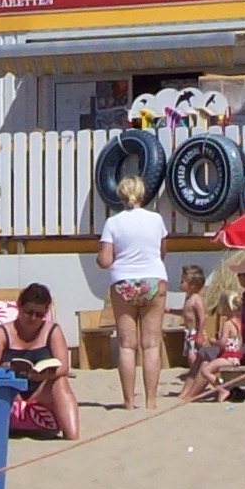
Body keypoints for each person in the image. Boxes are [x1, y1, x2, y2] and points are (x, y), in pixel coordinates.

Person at [96, 173, 169, 411]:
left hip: (124, 281)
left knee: (127, 345)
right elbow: (162, 252)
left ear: (120, 195)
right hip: (152, 279)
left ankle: (128, 402)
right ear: (141, 194)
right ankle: (151, 401)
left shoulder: (113, 223)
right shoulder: (156, 220)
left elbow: (105, 261)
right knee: (151, 344)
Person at [0, 282, 80, 439]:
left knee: (60, 381)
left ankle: (71, 435)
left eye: (39, 314)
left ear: (46, 313)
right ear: (19, 307)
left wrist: (44, 376)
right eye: (29, 312)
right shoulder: (3, 333)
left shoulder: (52, 330)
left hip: (40, 390)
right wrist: (5, 369)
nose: (33, 318)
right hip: (11, 391)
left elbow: (64, 367)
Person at [176, 266, 245, 403]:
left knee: (206, 368)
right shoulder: (238, 323)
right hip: (235, 355)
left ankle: (221, 387)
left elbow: (222, 343)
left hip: (230, 356)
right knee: (203, 358)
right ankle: (188, 392)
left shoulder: (228, 324)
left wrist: (213, 341)